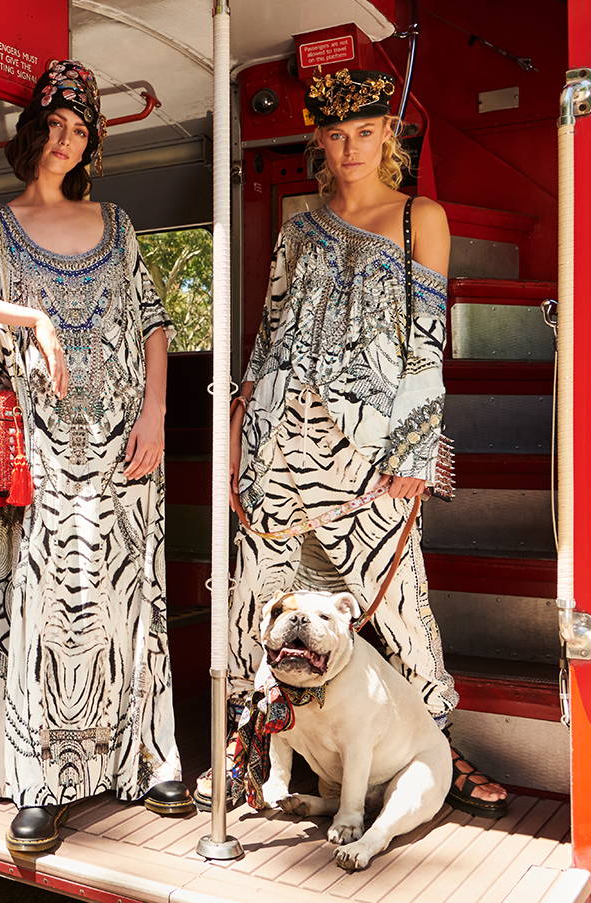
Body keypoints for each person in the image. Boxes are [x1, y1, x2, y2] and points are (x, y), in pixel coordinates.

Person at [201, 67, 507, 818]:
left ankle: (437, 743)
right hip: (278, 436)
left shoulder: (418, 218)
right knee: (260, 599)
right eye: (335, 135)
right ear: (319, 142)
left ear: (387, 138)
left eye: (364, 132)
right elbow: (268, 333)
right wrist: (240, 425)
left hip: (369, 450)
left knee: (397, 600)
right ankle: (245, 751)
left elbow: (425, 345)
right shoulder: (297, 226)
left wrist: (414, 448)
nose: (350, 147)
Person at [0, 59, 193, 855]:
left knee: (132, 602)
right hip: (41, 448)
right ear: (32, 132)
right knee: (45, 609)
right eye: (55, 126)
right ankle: (37, 787)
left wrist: (155, 411)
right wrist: (27, 316)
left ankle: (151, 758)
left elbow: (153, 323)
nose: (65, 142)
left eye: (80, 131)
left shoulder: (115, 222)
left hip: (124, 445)